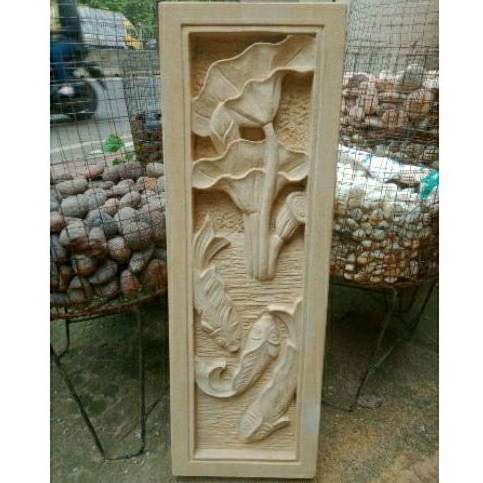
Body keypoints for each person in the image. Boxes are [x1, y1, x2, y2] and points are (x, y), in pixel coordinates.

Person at [50, 0, 85, 96]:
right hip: (56, 41)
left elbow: (74, 28)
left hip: (72, 42)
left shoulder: (66, 3)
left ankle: (66, 85)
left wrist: (54, 30)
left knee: (55, 51)